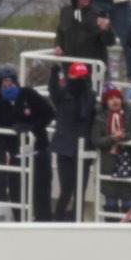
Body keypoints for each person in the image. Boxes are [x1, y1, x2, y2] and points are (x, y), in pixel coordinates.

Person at [0, 65, 54, 220]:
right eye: (4, 85)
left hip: (38, 153)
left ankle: (43, 223)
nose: (7, 87)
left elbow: (49, 113)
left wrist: (31, 126)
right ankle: (20, 222)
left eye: (10, 83)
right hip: (17, 156)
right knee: (17, 194)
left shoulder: (28, 94)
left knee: (41, 193)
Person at [48, 62, 96, 221]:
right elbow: (53, 91)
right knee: (66, 191)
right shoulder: (62, 95)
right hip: (65, 149)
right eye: (78, 77)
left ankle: (78, 223)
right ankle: (58, 222)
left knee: (80, 192)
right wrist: (53, 75)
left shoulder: (90, 96)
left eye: (84, 77)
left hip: (84, 150)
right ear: (70, 77)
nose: (81, 80)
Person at [91, 83, 131, 220]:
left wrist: (124, 136)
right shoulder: (100, 118)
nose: (115, 101)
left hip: (128, 167)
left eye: (117, 97)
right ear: (105, 102)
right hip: (108, 168)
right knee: (110, 207)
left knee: (129, 207)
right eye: (110, 98)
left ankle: (130, 237)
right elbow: (96, 140)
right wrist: (112, 138)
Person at [54, 0, 116, 68]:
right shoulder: (66, 12)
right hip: (70, 67)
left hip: (92, 68)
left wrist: (107, 29)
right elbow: (61, 33)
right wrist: (58, 46)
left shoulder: (98, 14)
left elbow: (109, 41)